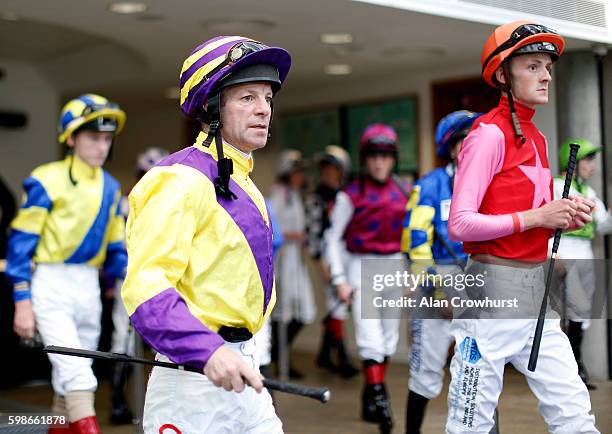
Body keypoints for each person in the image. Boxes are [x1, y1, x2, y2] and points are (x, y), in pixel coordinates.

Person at [121, 36, 291, 433]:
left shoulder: (246, 181)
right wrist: (207, 350)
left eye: (267, 97)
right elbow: (146, 288)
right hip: (192, 381)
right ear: (212, 107)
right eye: (247, 97)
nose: (264, 109)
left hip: (244, 369)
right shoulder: (177, 179)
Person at [446, 20, 600, 433]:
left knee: (575, 414)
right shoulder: (487, 134)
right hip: (489, 294)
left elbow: (527, 213)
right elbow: (459, 224)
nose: (546, 74)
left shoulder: (538, 138)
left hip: (537, 293)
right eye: (532, 66)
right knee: (469, 424)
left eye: (547, 66)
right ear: (502, 74)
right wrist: (539, 217)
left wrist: (564, 212)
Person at [6, 93, 128, 433]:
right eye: (93, 137)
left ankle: (57, 428)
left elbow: (117, 247)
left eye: (107, 139)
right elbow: (20, 244)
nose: (102, 147)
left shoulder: (113, 187)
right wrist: (22, 302)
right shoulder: (46, 178)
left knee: (69, 373)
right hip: (50, 282)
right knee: (77, 372)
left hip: (89, 283)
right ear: (71, 138)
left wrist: (134, 279)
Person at [402, 110, 487, 434]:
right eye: (466, 141)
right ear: (452, 147)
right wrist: (438, 292)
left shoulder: (489, 185)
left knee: (479, 374)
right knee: (425, 376)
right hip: (435, 290)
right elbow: (415, 244)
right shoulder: (430, 186)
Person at [325, 124, 410, 433]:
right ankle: (381, 401)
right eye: (373, 156)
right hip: (361, 267)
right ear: (365, 158)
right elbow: (332, 238)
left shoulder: (404, 190)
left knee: (389, 339)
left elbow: (413, 236)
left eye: (385, 156)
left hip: (395, 267)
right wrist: (339, 279)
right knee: (370, 338)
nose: (379, 162)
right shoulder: (350, 194)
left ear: (393, 159)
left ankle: (370, 391)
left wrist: (414, 272)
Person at [107, 146, 169, 425]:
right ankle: (118, 402)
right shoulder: (124, 203)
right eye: (145, 174)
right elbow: (114, 244)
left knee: (164, 343)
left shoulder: (171, 203)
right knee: (123, 339)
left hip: (164, 282)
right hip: (130, 279)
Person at [554, 138, 612, 389]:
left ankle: (576, 365)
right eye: (588, 160)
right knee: (560, 312)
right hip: (561, 252)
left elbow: (603, 225)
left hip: (585, 254)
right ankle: (569, 368)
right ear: (573, 162)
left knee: (582, 311)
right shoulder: (556, 186)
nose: (593, 166)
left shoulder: (590, 193)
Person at [305, 145, 358, 378]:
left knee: (338, 305)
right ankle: (342, 357)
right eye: (324, 169)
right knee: (336, 305)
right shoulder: (317, 198)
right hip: (329, 257)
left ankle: (324, 354)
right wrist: (322, 264)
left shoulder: (347, 195)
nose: (328, 174)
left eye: (333, 169)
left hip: (350, 254)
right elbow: (314, 234)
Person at [268, 149, 316, 379]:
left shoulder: (295, 194)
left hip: (296, 259)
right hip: (284, 260)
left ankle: (279, 353)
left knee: (304, 311)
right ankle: (279, 357)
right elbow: (271, 227)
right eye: (297, 171)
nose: (301, 176)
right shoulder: (278, 195)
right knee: (284, 310)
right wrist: (296, 236)